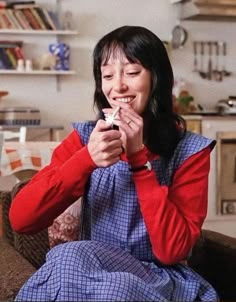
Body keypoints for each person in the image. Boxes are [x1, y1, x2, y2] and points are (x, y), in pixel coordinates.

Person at [9, 25, 218, 301]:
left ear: (157, 79)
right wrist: (86, 159)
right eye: (107, 75)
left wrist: (139, 162)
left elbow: (172, 251)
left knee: (108, 280)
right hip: (89, 274)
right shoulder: (85, 139)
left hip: (160, 279)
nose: (118, 86)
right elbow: (20, 219)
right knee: (70, 260)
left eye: (132, 73)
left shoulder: (189, 151)